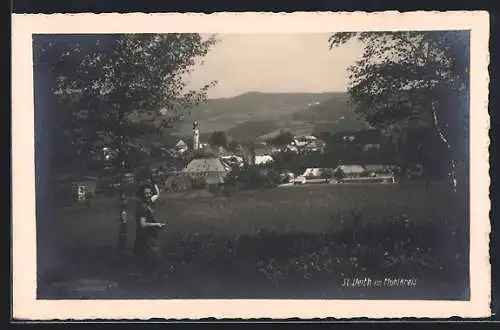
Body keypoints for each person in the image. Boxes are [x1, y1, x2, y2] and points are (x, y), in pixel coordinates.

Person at [134, 186, 166, 273]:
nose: (148, 195)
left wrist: (154, 184)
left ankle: (151, 275)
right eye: (146, 194)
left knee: (154, 257)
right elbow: (143, 224)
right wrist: (157, 225)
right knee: (153, 258)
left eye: (149, 193)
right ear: (142, 196)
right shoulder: (142, 208)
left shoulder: (147, 204)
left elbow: (157, 195)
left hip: (150, 236)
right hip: (146, 238)